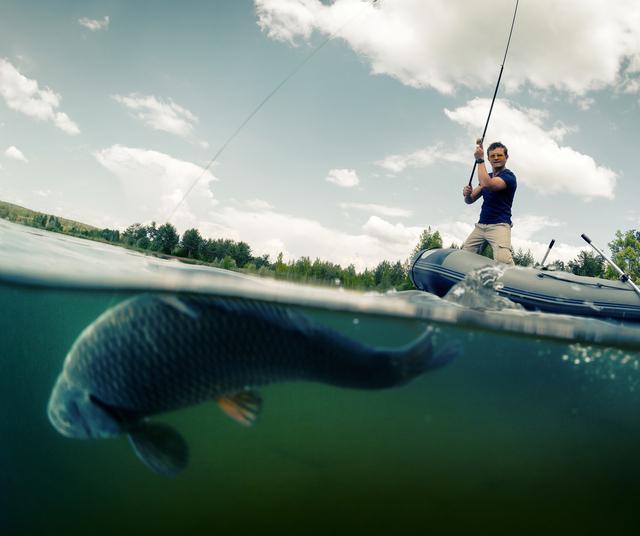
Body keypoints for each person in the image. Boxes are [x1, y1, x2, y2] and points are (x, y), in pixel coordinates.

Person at [461, 140, 517, 264]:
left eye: (499, 155)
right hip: (481, 226)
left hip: (500, 225)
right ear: (489, 158)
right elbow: (470, 200)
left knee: (503, 261)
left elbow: (489, 185)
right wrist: (467, 194)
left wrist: (480, 160)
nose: (496, 158)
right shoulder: (486, 176)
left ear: (506, 157)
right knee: (462, 257)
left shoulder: (509, 177)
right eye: (492, 156)